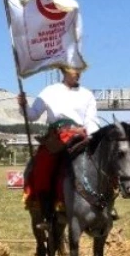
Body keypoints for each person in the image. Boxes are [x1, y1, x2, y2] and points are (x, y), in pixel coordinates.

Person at [16, 65, 99, 219]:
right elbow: (33, 115)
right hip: (56, 137)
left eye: (80, 71)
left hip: (80, 136)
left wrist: (93, 138)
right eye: (74, 70)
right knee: (41, 166)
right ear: (63, 70)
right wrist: (24, 105)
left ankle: (103, 206)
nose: (78, 74)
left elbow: (91, 121)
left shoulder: (87, 95)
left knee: (101, 164)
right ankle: (46, 210)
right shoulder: (50, 91)